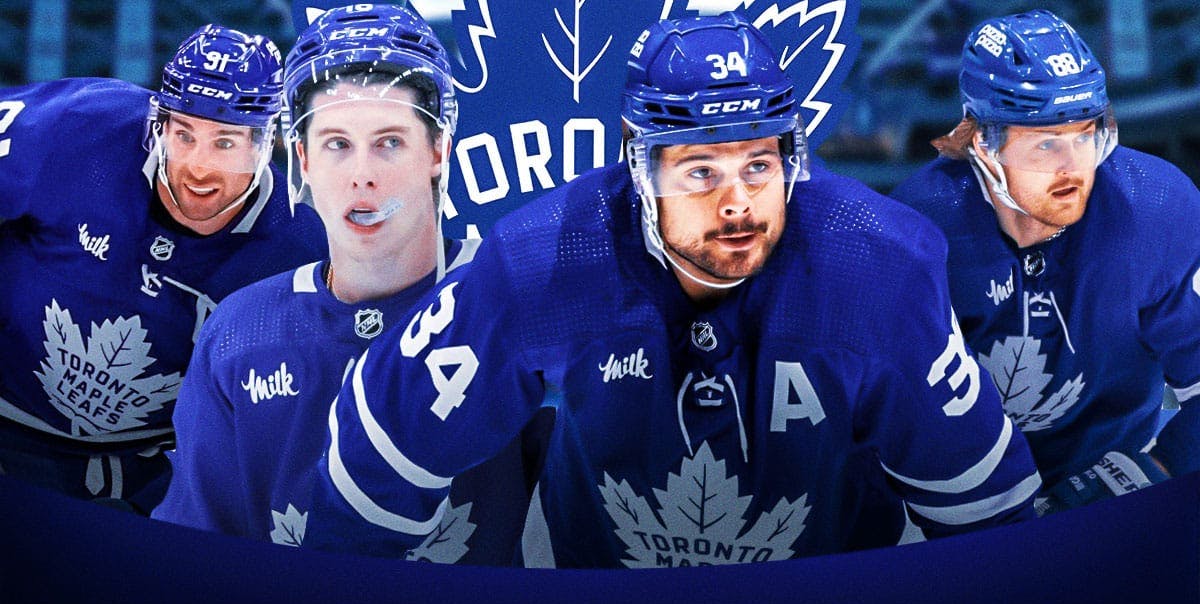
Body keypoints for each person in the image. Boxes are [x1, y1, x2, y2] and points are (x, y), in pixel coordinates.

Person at [304, 11, 1042, 567]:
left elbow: (989, 517)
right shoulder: (545, 258)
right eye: (700, 170)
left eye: (758, 164)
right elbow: (384, 451)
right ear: (639, 165)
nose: (737, 203)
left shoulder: (880, 268)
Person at [153, 4, 541, 564]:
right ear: (304, 159)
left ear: (438, 151)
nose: (363, 173)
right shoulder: (239, 333)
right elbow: (194, 563)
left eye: (389, 142)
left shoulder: (524, 302)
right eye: (338, 144)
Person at [0, 25, 327, 514]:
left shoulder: (309, 241)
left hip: (148, 478)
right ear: (158, 124)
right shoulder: (78, 125)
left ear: (268, 143)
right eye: (184, 134)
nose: (198, 167)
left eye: (226, 142)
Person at [890, 9, 1200, 514]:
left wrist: (1153, 470)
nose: (1073, 167)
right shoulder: (918, 232)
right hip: (958, 494)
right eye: (1045, 144)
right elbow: (891, 415)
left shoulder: (1156, 208)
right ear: (981, 144)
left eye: (1085, 136)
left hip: (1120, 472)